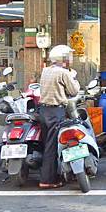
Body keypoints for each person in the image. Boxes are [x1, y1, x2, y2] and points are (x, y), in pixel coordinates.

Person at [38, 45, 80, 189]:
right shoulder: (64, 73)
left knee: (47, 144)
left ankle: (53, 175)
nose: (71, 58)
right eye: (69, 56)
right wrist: (73, 77)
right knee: (53, 146)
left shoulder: (45, 70)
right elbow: (74, 91)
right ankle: (47, 180)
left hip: (43, 111)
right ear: (63, 58)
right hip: (56, 111)